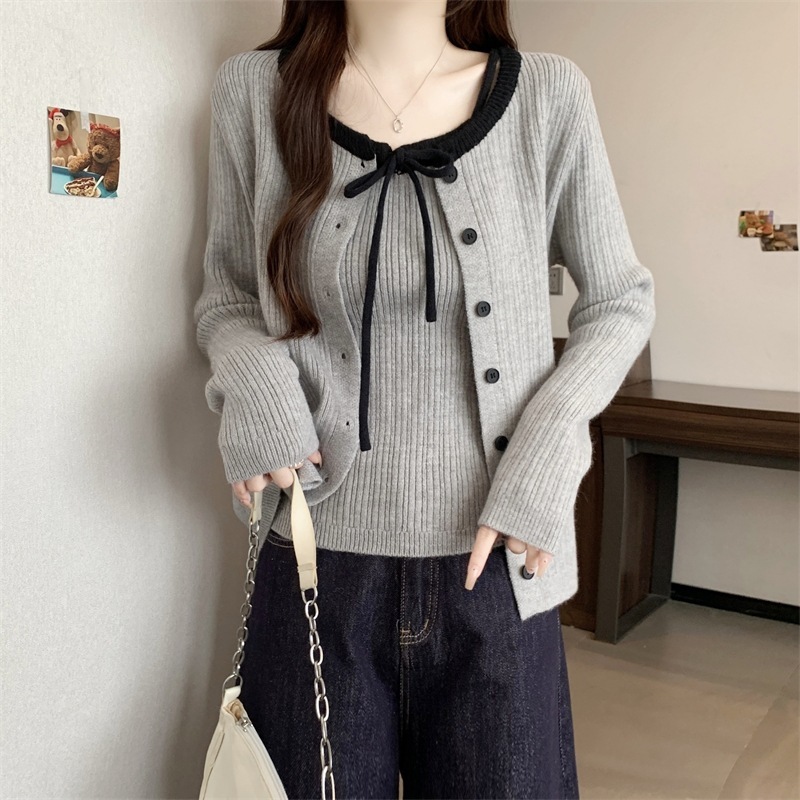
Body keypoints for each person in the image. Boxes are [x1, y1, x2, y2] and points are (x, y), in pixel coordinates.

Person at [194, 1, 656, 797]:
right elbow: (227, 298)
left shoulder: (549, 96)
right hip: (313, 563)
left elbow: (619, 300)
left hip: (500, 569)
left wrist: (549, 446)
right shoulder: (252, 92)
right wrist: (259, 387)